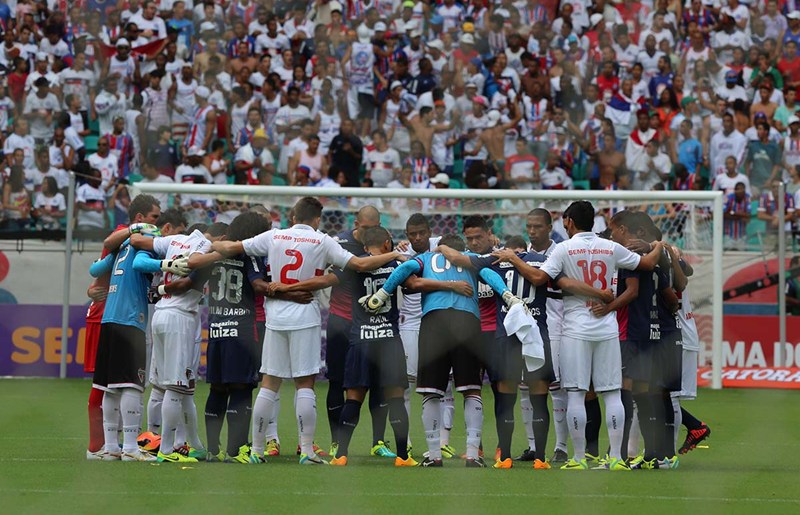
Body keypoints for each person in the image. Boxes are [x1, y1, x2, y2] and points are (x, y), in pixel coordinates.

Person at [208, 197, 406, 464]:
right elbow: (359, 265)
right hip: (305, 314)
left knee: (269, 382)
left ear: (292, 217)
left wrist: (208, 243)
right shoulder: (323, 240)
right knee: (305, 384)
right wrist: (394, 254)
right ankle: (307, 451)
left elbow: (230, 246)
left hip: (275, 315)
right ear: (316, 219)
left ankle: (256, 450)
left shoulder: (274, 236)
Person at [491, 201, 663, 470]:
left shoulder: (564, 248)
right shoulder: (611, 247)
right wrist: (660, 245)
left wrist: (514, 258)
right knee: (612, 394)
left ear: (568, 222)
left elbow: (538, 278)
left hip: (575, 328)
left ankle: (579, 458)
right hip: (606, 326)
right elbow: (648, 263)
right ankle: (616, 458)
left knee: (575, 393)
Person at [438, 235, 612, 469]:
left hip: (506, 336)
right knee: (539, 397)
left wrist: (439, 246)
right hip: (535, 334)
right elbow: (567, 284)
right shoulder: (541, 261)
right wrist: (599, 293)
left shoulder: (494, 260)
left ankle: (505, 457)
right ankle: (540, 458)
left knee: (506, 398)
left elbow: (456, 257)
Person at [361, 233, 524, 467]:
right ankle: (473, 454)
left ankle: (434, 455)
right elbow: (488, 274)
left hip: (434, 322)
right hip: (467, 322)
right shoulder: (470, 258)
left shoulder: (427, 258)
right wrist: (508, 296)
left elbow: (405, 268)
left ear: (440, 248)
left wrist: (383, 293)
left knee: (431, 391)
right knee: (471, 391)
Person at [87, 199, 191, 462]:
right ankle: (132, 448)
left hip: (109, 318)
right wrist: (166, 266)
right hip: (130, 318)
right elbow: (140, 264)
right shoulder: (144, 239)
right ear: (143, 218)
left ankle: (111, 447)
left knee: (110, 388)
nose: (157, 224)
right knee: (132, 386)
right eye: (155, 217)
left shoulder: (122, 243)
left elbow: (95, 269)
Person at [130, 210, 211, 463]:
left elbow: (137, 242)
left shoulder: (174, 241)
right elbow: (189, 279)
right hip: (180, 317)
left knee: (173, 386)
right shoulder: (206, 247)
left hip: (161, 313)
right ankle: (167, 449)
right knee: (176, 386)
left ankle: (191, 443)